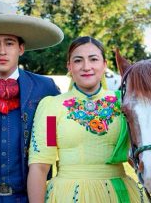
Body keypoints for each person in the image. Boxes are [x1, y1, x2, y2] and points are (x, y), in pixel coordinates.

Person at [27, 36, 142, 203]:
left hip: (119, 194)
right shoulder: (53, 108)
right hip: (68, 195)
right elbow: (41, 166)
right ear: (69, 66)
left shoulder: (123, 104)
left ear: (104, 65)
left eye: (93, 59)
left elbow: (139, 156)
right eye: (78, 60)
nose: (86, 67)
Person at [0, 1, 63, 202]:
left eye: (9, 43)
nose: (2, 51)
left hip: (29, 197)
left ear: (21, 48)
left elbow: (54, 137)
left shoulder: (45, 88)